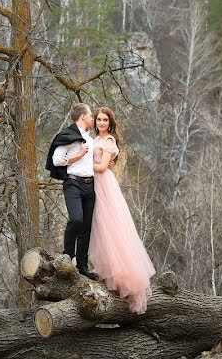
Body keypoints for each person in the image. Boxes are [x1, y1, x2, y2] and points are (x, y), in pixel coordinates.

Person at [89, 106, 155, 314]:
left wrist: (81, 164)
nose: (101, 123)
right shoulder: (94, 139)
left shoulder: (108, 141)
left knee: (111, 228)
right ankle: (105, 272)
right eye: (98, 119)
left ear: (110, 123)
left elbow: (101, 167)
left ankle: (121, 278)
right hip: (93, 183)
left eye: (104, 120)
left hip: (104, 184)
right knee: (99, 229)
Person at [49, 102, 97, 280]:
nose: (92, 118)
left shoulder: (90, 139)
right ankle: (67, 255)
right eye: (91, 115)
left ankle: (83, 266)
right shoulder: (68, 136)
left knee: (86, 227)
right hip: (73, 183)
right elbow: (56, 160)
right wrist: (78, 154)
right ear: (83, 116)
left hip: (90, 185)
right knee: (76, 219)